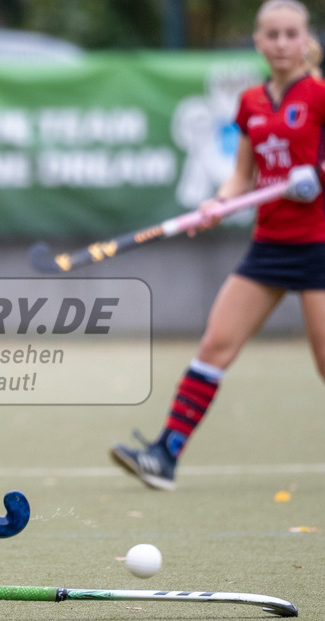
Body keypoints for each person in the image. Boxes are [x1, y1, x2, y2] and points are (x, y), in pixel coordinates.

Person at [111, 0, 325, 490]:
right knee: (214, 346)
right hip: (269, 246)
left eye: (291, 34)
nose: (281, 44)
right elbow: (241, 177)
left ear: (305, 39)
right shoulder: (251, 103)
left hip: (318, 246)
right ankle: (164, 456)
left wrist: (314, 179)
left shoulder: (319, 96)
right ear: (258, 41)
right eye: (271, 34)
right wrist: (217, 204)